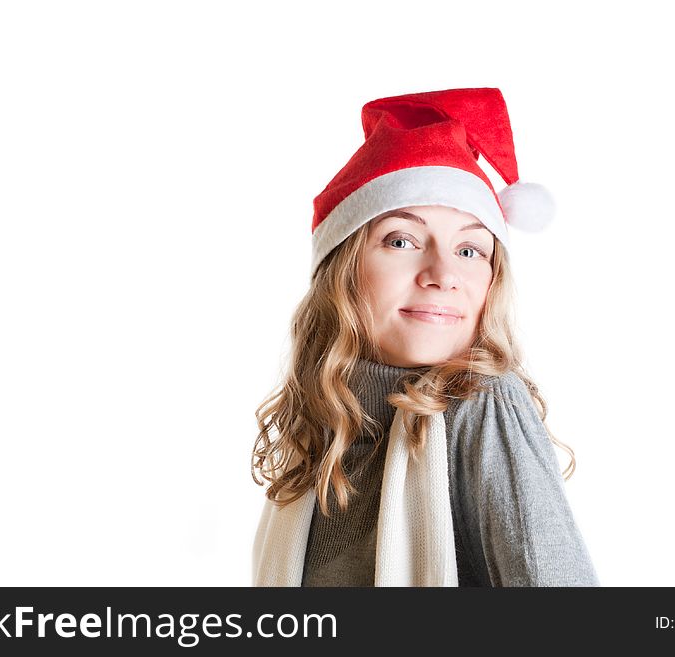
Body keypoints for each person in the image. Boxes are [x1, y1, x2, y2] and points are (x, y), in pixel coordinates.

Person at [250, 88, 599, 587]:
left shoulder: (482, 405)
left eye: (471, 250)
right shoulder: (321, 432)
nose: (443, 273)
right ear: (341, 271)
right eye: (402, 241)